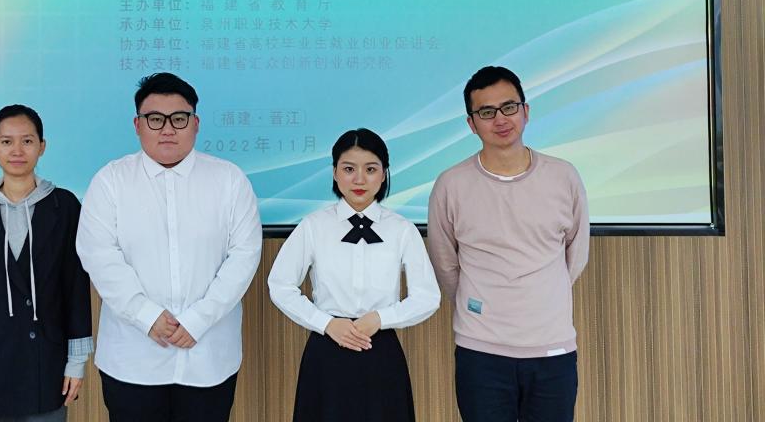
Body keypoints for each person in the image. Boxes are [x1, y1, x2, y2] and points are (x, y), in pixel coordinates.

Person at [76, 73, 262, 422]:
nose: (167, 129)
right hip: (133, 358)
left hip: (208, 356)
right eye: (155, 119)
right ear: (137, 125)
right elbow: (99, 256)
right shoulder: (110, 181)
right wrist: (146, 316)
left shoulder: (229, 180)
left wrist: (198, 320)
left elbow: (244, 255)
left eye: (178, 119)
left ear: (195, 123)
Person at [427, 66, 590, 422]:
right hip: (480, 351)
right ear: (471, 124)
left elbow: (575, 255)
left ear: (526, 111)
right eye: (486, 112)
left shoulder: (563, 176)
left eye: (509, 107)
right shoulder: (451, 184)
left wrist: (542, 294)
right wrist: (480, 302)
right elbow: (445, 263)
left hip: (552, 348)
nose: (500, 119)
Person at [268, 128, 441, 422]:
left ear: (384, 174)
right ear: (335, 173)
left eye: (370, 169)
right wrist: (326, 323)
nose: (359, 179)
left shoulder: (401, 229)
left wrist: (380, 319)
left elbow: (427, 297)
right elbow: (280, 285)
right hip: (327, 348)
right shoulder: (314, 226)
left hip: (380, 347)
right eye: (349, 169)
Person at [0, 104, 93, 421]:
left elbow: (76, 287)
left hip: (46, 362)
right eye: (7, 141)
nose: (17, 150)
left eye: (27, 140)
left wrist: (76, 361)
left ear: (42, 146)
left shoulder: (64, 206)